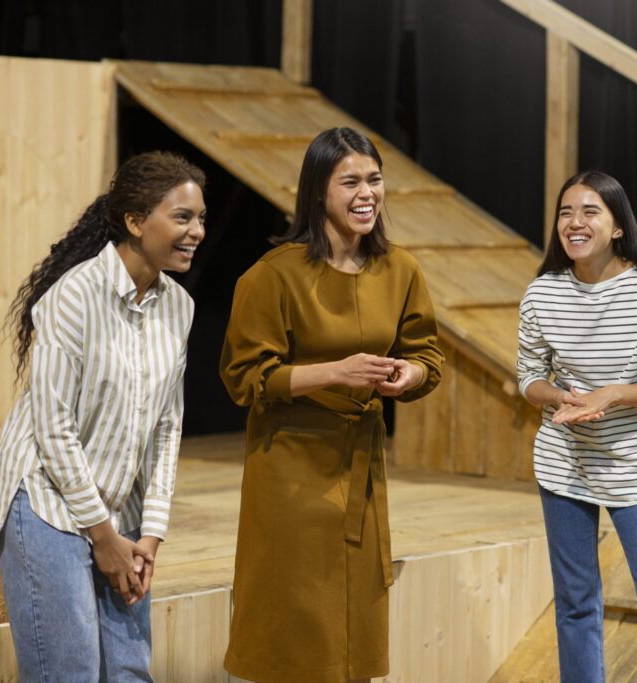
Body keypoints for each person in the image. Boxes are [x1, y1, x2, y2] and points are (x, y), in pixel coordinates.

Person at [219, 126, 443, 683]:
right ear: (318, 191)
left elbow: (428, 356)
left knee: (355, 637)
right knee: (293, 631)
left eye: (374, 179)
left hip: (360, 473)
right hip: (291, 473)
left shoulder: (402, 270)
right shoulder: (273, 275)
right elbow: (245, 377)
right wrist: (335, 373)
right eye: (350, 182)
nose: (366, 192)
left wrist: (407, 373)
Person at [0, 151, 207, 681]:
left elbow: (166, 427)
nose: (197, 231)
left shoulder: (180, 306)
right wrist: (104, 537)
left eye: (201, 217)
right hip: (46, 502)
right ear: (135, 221)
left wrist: (150, 532)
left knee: (129, 672)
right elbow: (53, 430)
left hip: (122, 509)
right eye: (182, 217)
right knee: (72, 672)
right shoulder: (73, 296)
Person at [517, 170, 637, 682]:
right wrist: (560, 396)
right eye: (565, 212)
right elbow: (529, 376)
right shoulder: (542, 294)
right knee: (575, 603)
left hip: (636, 465)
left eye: (589, 212)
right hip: (564, 460)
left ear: (618, 225)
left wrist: (616, 393)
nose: (574, 223)